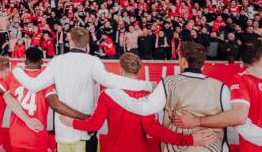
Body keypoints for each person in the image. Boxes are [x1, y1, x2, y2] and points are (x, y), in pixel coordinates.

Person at [12, 27, 153, 152]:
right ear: (86, 45)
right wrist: (146, 85)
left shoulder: (57, 61)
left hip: (63, 132)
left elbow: (33, 86)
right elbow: (111, 81)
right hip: (85, 132)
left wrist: (16, 70)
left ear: (70, 42)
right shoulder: (92, 61)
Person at [105, 41, 262, 152]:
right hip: (212, 147)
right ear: (203, 63)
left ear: (182, 61)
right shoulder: (221, 87)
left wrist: (115, 92)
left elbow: (143, 109)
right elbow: (238, 122)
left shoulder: (167, 83)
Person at [59, 53, 216, 151]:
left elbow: (94, 125)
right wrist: (188, 140)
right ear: (139, 70)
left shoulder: (107, 94)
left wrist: (71, 122)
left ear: (120, 70)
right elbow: (153, 129)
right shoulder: (149, 93)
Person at [173, 40, 262, 150]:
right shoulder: (240, 80)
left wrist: (197, 121)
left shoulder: (241, 80)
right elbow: (238, 117)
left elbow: (239, 117)